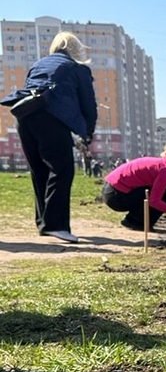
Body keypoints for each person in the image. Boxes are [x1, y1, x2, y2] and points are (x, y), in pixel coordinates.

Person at [2, 32, 97, 244]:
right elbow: (88, 104)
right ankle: (56, 225)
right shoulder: (78, 68)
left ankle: (44, 223)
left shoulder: (38, 65)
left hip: (25, 116)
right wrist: (88, 131)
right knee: (62, 169)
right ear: (76, 49)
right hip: (51, 119)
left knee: (39, 170)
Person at [102, 146, 166, 231]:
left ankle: (135, 220)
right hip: (116, 196)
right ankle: (136, 222)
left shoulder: (163, 163)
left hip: (110, 190)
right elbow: (154, 201)